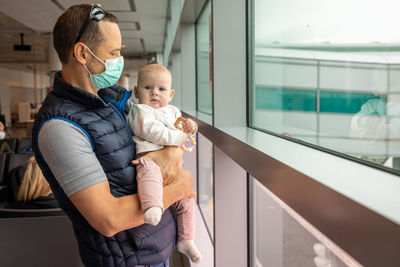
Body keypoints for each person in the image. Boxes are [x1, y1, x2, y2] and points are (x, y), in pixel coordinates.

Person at [31, 4, 195, 267]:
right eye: (114, 52)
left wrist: (171, 151)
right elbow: (109, 219)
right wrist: (179, 188)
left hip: (154, 248)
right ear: (83, 53)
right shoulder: (59, 127)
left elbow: (159, 138)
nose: (119, 60)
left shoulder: (110, 102)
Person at [126, 64, 202, 263]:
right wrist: (178, 138)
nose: (154, 93)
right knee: (148, 178)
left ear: (171, 93)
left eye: (161, 89)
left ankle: (186, 238)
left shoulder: (172, 111)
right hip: (149, 156)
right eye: (148, 88)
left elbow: (183, 127)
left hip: (172, 164)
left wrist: (190, 128)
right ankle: (152, 207)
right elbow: (150, 131)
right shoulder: (140, 110)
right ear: (136, 91)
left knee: (187, 198)